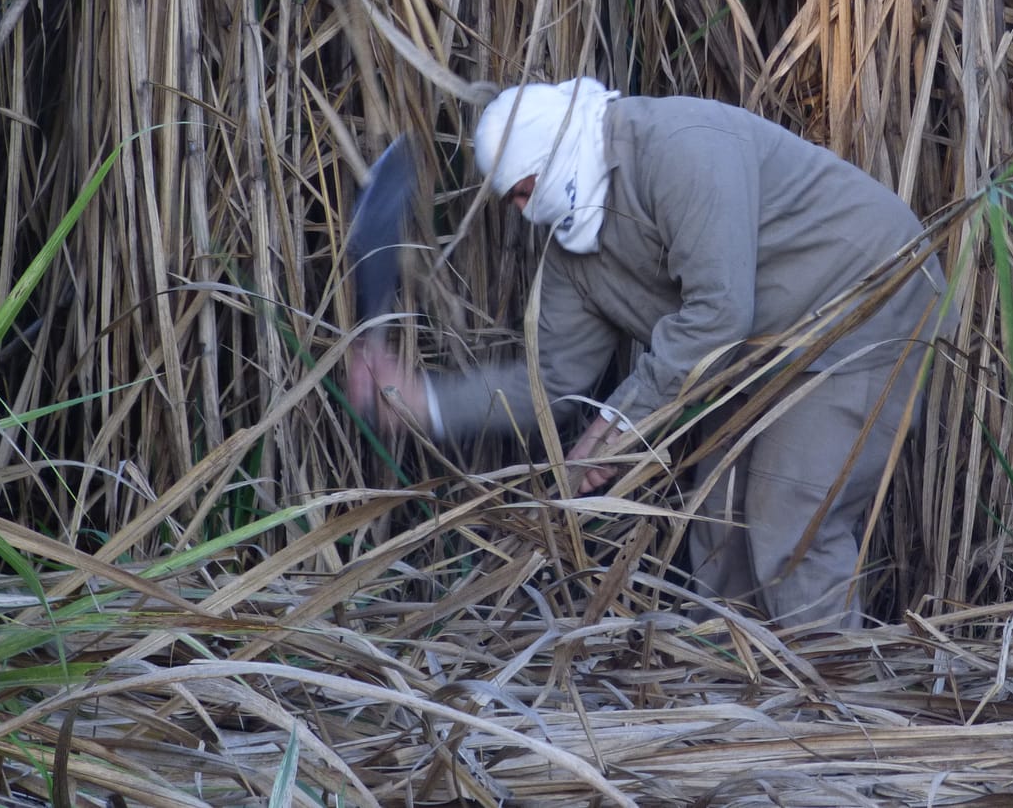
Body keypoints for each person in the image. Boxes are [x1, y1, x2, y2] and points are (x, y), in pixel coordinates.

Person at [346, 78, 949, 628]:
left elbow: (719, 313)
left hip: (865, 304)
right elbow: (552, 381)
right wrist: (421, 401)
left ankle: (846, 717)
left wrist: (618, 424)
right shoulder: (572, 249)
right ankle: (747, 717)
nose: (526, 214)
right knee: (719, 533)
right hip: (761, 358)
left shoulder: (680, 147)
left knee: (788, 524)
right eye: (514, 202)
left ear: (548, 160)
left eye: (526, 191)